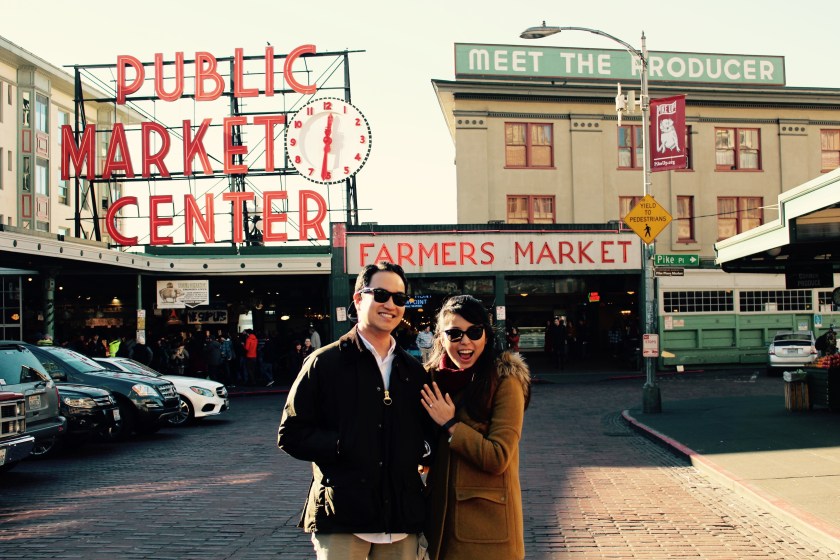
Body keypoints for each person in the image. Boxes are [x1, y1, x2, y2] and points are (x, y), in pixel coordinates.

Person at [278, 261, 431, 560]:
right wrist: (344, 444)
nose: (391, 305)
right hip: (343, 517)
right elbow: (291, 434)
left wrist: (423, 448)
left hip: (401, 519)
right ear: (359, 298)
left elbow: (426, 434)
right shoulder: (324, 363)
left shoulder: (413, 371)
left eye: (399, 299)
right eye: (382, 295)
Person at [420, 295, 530, 560]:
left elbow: (498, 457)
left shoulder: (505, 381)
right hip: (439, 526)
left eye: (474, 332)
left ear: (486, 336)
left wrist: (451, 424)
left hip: (487, 532)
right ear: (441, 338)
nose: (465, 342)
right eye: (454, 333)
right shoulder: (431, 380)